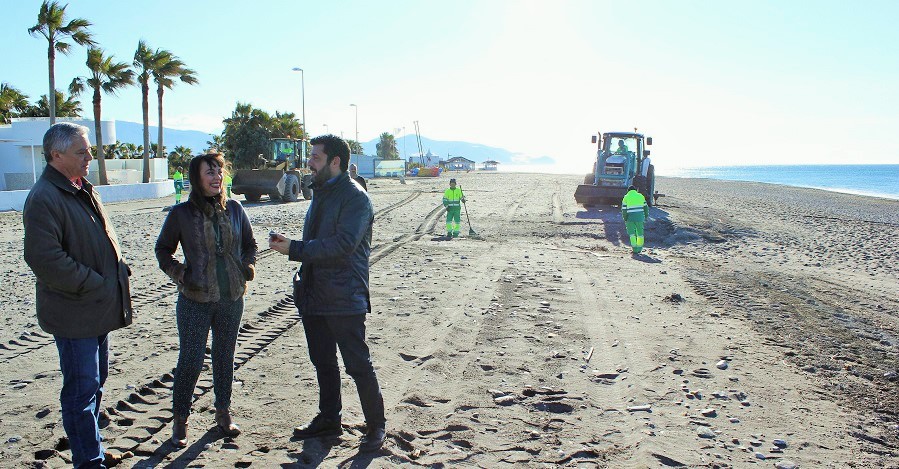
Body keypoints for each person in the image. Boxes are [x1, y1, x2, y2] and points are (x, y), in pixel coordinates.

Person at [23, 122, 134, 468]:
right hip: (74, 313)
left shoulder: (81, 187)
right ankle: (88, 461)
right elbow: (45, 259)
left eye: (89, 150)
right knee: (80, 391)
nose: (89, 157)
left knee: (95, 385)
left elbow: (95, 239)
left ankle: (91, 450)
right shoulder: (44, 197)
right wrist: (96, 282)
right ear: (56, 155)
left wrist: (117, 269)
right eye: (81, 152)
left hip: (96, 308)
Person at [269, 134, 386, 453]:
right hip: (314, 292)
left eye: (316, 158)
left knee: (357, 364)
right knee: (323, 361)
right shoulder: (320, 192)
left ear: (335, 162)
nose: (309, 163)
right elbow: (319, 240)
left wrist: (294, 248)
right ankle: (329, 419)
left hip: (344, 295)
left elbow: (344, 245)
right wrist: (294, 248)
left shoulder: (356, 197)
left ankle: (376, 426)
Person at [155, 153, 257, 447]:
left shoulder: (235, 209)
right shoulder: (181, 213)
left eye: (219, 171)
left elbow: (250, 244)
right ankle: (180, 419)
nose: (216, 177)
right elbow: (163, 250)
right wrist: (180, 273)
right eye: (209, 172)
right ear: (196, 178)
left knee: (225, 356)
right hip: (195, 298)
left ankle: (223, 412)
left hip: (232, 296)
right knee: (191, 359)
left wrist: (247, 267)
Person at [621, 185, 649, 254]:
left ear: (628, 191)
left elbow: (624, 210)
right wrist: (646, 216)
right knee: (640, 233)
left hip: (630, 218)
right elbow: (646, 208)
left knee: (632, 234)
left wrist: (625, 218)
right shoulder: (641, 196)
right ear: (636, 190)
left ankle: (634, 249)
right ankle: (639, 248)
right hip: (640, 218)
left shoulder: (626, 197)